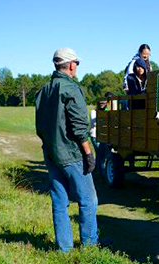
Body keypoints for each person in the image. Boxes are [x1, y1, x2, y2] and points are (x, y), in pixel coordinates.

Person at [35, 47, 99, 252]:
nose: (77, 67)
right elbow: (80, 127)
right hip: (72, 153)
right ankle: (89, 247)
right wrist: (88, 153)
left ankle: (64, 249)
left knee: (59, 202)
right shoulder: (71, 88)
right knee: (88, 200)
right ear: (71, 65)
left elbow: (40, 126)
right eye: (77, 64)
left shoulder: (44, 90)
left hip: (51, 153)